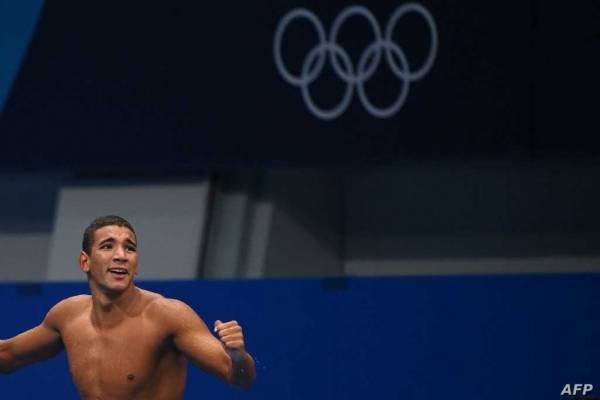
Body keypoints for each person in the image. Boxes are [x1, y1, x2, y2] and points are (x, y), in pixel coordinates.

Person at [0, 215, 255, 399]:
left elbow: (239, 378)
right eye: (108, 246)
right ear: (85, 262)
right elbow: (9, 355)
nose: (121, 255)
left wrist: (238, 357)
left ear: (136, 264)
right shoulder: (67, 315)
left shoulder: (167, 315)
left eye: (129, 248)